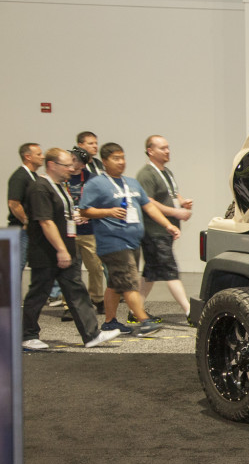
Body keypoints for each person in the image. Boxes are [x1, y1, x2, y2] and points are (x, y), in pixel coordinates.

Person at [20, 148, 121, 351]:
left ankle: (91, 334)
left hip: (64, 249)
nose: (71, 168)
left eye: (72, 164)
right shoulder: (40, 188)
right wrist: (61, 250)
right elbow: (46, 222)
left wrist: (74, 217)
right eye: (66, 165)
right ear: (52, 165)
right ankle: (27, 336)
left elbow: (60, 216)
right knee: (38, 294)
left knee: (77, 292)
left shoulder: (59, 186)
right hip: (47, 253)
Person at [79, 142, 180, 337]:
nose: (121, 162)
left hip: (133, 241)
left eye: (122, 157)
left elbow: (148, 207)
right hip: (112, 242)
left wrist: (167, 224)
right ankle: (143, 320)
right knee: (128, 281)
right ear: (105, 162)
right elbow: (84, 210)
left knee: (116, 284)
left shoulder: (132, 183)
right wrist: (107, 212)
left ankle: (109, 322)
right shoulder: (96, 183)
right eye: (116, 158)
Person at [136, 135, 193, 321]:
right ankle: (189, 311)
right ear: (150, 151)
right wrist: (175, 214)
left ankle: (135, 311)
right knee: (170, 271)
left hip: (164, 231)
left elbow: (172, 193)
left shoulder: (166, 172)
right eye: (162, 148)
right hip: (155, 231)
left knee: (149, 274)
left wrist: (183, 202)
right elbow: (149, 202)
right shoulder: (146, 174)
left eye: (168, 147)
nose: (167, 151)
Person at [67, 148, 106, 313]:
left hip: (88, 230)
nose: (70, 161)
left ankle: (97, 299)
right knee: (69, 269)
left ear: (81, 163)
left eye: (73, 159)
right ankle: (69, 304)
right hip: (68, 231)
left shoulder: (93, 180)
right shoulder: (62, 178)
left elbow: (102, 202)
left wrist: (88, 215)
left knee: (96, 268)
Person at [7, 143, 44, 272]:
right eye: (38, 154)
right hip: (21, 230)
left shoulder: (34, 176)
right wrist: (26, 221)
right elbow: (13, 203)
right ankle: (10, 292)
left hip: (32, 231)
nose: (42, 157)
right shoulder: (20, 177)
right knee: (17, 265)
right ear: (28, 157)